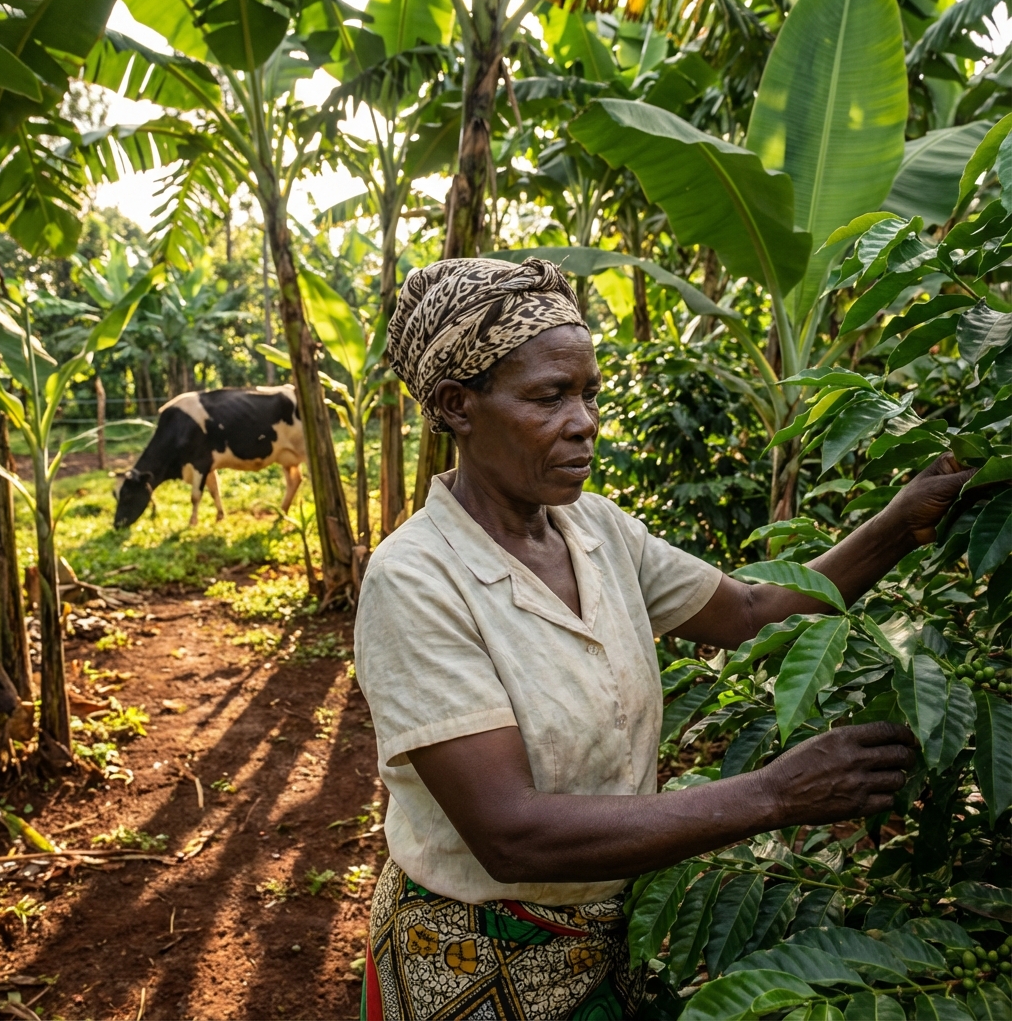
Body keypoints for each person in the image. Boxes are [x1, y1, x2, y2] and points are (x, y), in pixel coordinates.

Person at [354, 258, 971, 1021]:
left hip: (611, 941)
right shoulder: (415, 579)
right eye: (549, 396)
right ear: (458, 406)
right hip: (471, 965)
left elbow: (749, 612)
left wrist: (904, 522)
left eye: (589, 394)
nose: (584, 422)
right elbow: (511, 833)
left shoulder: (595, 529)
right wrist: (774, 794)